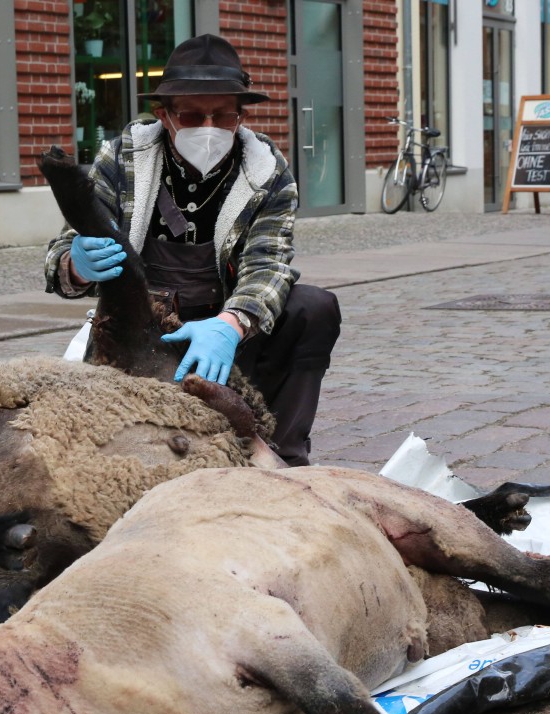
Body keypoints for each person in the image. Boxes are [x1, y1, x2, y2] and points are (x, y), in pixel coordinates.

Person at [44, 33, 341, 467]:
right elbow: (61, 254)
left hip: (226, 329)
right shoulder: (124, 157)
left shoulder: (267, 171)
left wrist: (232, 324)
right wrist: (77, 264)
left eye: (223, 116)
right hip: (142, 327)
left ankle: (285, 457)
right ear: (165, 116)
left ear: (240, 116)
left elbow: (269, 264)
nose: (209, 128)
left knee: (313, 308)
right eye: (193, 115)